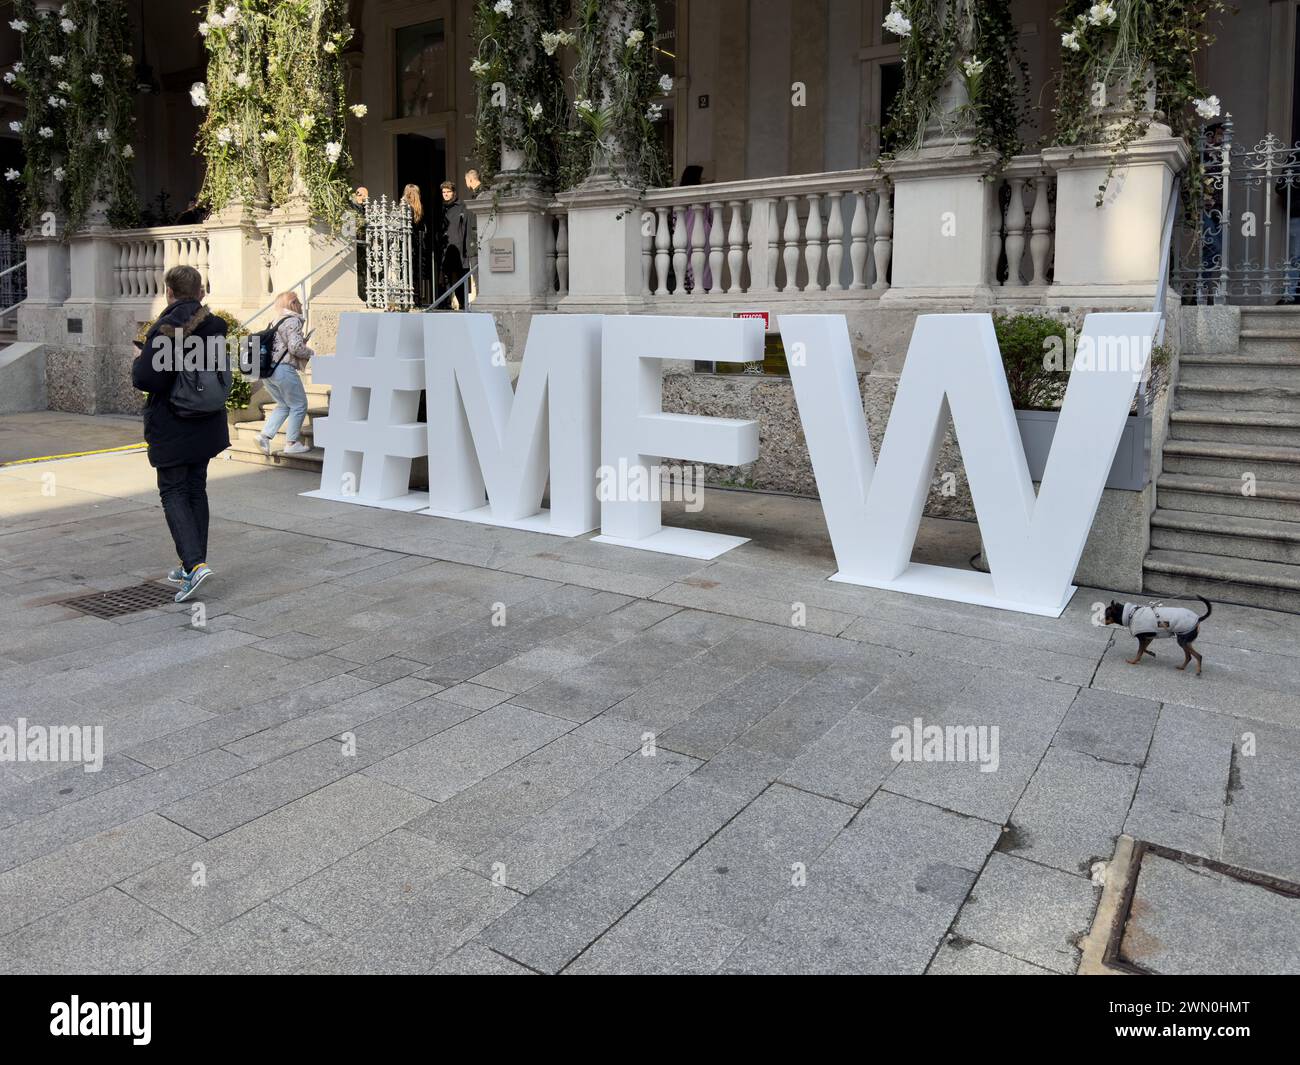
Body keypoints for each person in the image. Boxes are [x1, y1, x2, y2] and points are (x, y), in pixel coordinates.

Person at [131, 265, 229, 603]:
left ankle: (195, 565)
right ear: (200, 292)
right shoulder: (215, 325)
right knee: (195, 489)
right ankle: (193, 563)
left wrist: (141, 359)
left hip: (173, 424)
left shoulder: (165, 328)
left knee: (173, 492)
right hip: (206, 421)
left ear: (169, 292)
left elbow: (148, 380)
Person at [255, 292, 316, 458]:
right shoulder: (293, 321)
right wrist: (312, 353)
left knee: (283, 405)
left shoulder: (275, 321)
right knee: (299, 404)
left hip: (268, 371)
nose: (302, 306)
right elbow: (295, 347)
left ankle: (264, 436)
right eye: (300, 303)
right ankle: (292, 443)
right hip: (283, 369)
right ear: (293, 303)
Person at [436, 179, 469, 310]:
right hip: (444, 247)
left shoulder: (461, 207)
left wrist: (465, 248)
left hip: (458, 246)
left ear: (453, 192)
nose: (445, 194)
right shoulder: (441, 208)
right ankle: (444, 304)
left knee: (459, 277)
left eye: (448, 192)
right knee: (445, 278)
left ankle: (462, 304)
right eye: (443, 192)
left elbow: (465, 228)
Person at [402, 183, 431, 305]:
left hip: (407, 244)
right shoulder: (419, 209)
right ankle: (417, 296)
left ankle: (409, 297)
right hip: (417, 244)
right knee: (416, 271)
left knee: (407, 270)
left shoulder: (405, 207)